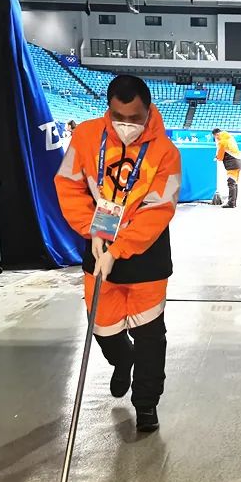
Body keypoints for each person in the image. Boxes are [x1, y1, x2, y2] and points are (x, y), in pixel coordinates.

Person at [54, 75, 181, 433]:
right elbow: (69, 185)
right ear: (108, 109)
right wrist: (90, 230)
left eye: (135, 118)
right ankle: (121, 361)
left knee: (150, 337)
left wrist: (122, 248)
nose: (126, 124)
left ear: (148, 110)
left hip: (147, 255)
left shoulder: (166, 153)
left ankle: (146, 404)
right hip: (98, 245)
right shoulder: (86, 137)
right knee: (104, 329)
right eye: (118, 116)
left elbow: (159, 208)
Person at [212, 128, 241, 208]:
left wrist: (217, 157)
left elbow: (220, 154)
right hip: (237, 163)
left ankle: (231, 203)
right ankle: (233, 202)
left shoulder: (222, 140)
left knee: (231, 182)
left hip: (232, 164)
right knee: (234, 183)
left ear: (217, 134)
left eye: (215, 137)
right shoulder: (228, 137)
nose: (216, 139)